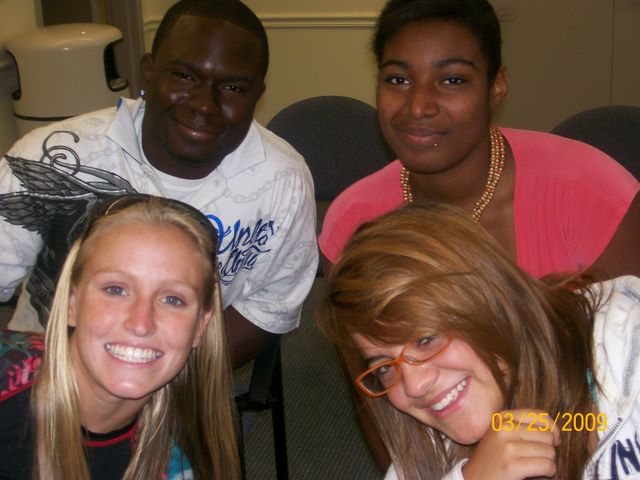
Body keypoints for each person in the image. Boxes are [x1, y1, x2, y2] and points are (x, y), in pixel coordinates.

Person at [0, 0, 317, 369]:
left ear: (257, 96)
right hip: (47, 370)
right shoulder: (46, 156)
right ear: (148, 74)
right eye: (184, 76)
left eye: (233, 87)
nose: (205, 105)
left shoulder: (283, 180)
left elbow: (270, 306)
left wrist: (171, 380)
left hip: (185, 373)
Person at [318, 0, 639, 280]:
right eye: (398, 80)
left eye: (452, 80)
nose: (417, 107)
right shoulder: (353, 222)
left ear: (496, 87)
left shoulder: (592, 194)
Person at [318, 202, 640, 480]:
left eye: (426, 340)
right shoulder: (427, 447)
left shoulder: (627, 346)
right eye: (385, 368)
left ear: (490, 302)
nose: (414, 386)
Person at [0, 195, 240, 479]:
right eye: (115, 290)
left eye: (172, 299)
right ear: (71, 303)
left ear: (200, 326)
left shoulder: (175, 468)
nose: (141, 324)